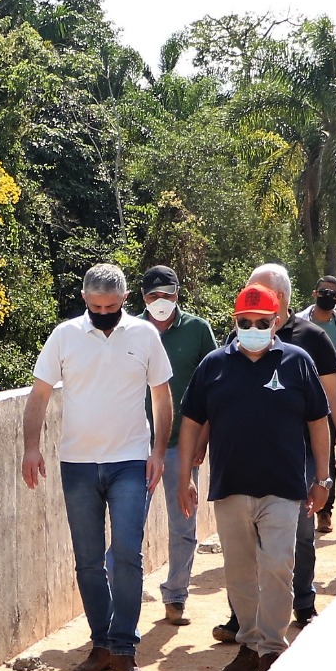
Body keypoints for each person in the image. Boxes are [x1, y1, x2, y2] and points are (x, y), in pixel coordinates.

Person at [22, 263, 173, 671]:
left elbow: (162, 397)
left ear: (124, 299)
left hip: (130, 461)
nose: (103, 313)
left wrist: (158, 452)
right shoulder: (65, 335)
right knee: (88, 561)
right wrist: (31, 447)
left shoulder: (144, 335)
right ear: (84, 300)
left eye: (110, 306)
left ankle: (125, 650)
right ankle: (101, 644)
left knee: (127, 554)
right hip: (78, 464)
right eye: (96, 306)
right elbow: (39, 394)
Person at [177, 284, 332, 671]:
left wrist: (323, 478)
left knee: (278, 564)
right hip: (230, 486)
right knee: (240, 572)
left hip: (283, 487)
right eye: (244, 322)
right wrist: (185, 477)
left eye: (261, 323)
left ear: (276, 322)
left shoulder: (297, 362)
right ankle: (248, 645)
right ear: (235, 321)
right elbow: (192, 420)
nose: (252, 329)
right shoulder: (214, 365)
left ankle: (272, 649)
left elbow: (318, 421)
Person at [212, 263, 336, 640]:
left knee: (301, 530)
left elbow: (335, 394)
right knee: (244, 540)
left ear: (279, 298)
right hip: (247, 452)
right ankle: (242, 616)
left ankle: (303, 603)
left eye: (257, 291)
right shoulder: (239, 334)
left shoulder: (311, 338)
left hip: (299, 451)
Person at [139, 264, 219, 626]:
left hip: (182, 446)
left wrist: (202, 439)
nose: (161, 301)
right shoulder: (130, 331)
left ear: (177, 294)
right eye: (153, 295)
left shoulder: (198, 330)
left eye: (167, 294)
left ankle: (175, 596)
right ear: (143, 297)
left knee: (184, 524)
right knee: (130, 526)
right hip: (136, 446)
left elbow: (213, 387)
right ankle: (122, 600)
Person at [296, 275, 336, 533]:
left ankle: (325, 511)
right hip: (299, 402)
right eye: (323, 292)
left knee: (327, 457)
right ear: (315, 293)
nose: (327, 297)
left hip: (329, 403)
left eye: (333, 294)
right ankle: (300, 507)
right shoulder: (299, 323)